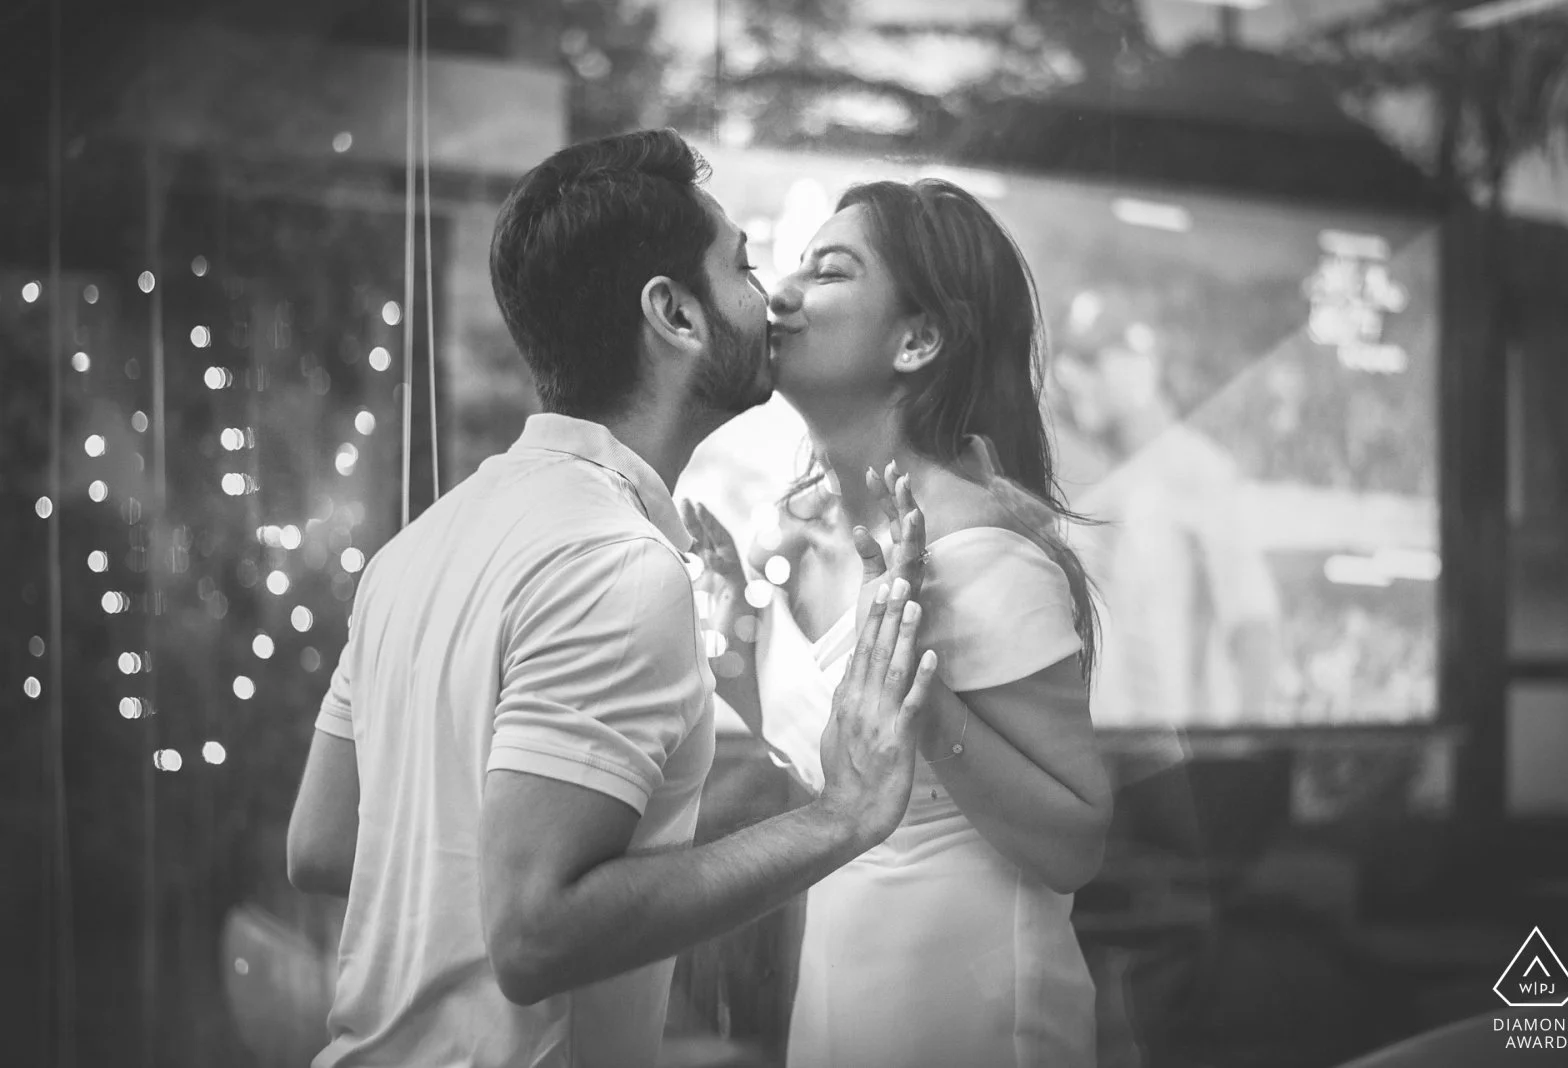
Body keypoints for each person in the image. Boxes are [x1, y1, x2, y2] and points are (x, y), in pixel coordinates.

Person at [284, 129, 941, 1068]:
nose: (768, 300)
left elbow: (322, 843)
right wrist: (841, 815)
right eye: (743, 268)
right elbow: (535, 935)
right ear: (674, 314)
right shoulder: (616, 563)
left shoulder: (415, 548)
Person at [683, 178, 1114, 1067]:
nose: (781, 295)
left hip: (978, 1017)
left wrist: (923, 695)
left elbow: (1075, 843)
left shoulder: (983, 555)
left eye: (828, 272)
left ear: (918, 340)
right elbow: (844, 766)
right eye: (792, 267)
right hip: (840, 1004)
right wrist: (739, 660)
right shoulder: (798, 538)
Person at [1047, 290, 1280, 727]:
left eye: (1091, 361)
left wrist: (1247, 747)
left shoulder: (1200, 471)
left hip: (1191, 751)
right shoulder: (1085, 479)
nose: (1073, 378)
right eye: (1071, 362)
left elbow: (1253, 626)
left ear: (1140, 367)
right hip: (1110, 749)